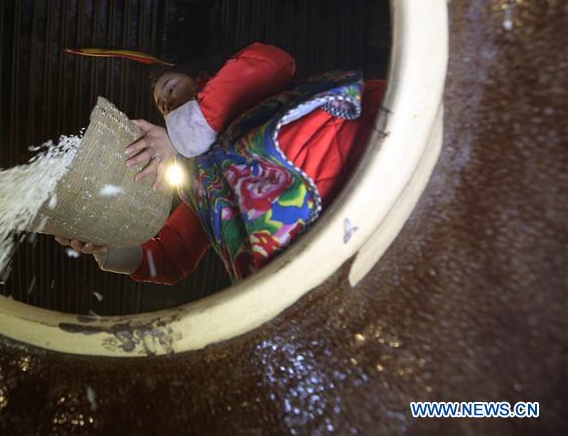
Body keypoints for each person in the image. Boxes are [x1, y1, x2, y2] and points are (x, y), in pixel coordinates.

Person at [56, 42, 386, 284]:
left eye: (170, 88)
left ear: (202, 78)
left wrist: (176, 134)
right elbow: (172, 257)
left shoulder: (249, 87)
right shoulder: (203, 186)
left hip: (366, 166)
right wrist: (108, 247)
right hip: (314, 263)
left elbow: (271, 62)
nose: (168, 104)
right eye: (163, 107)